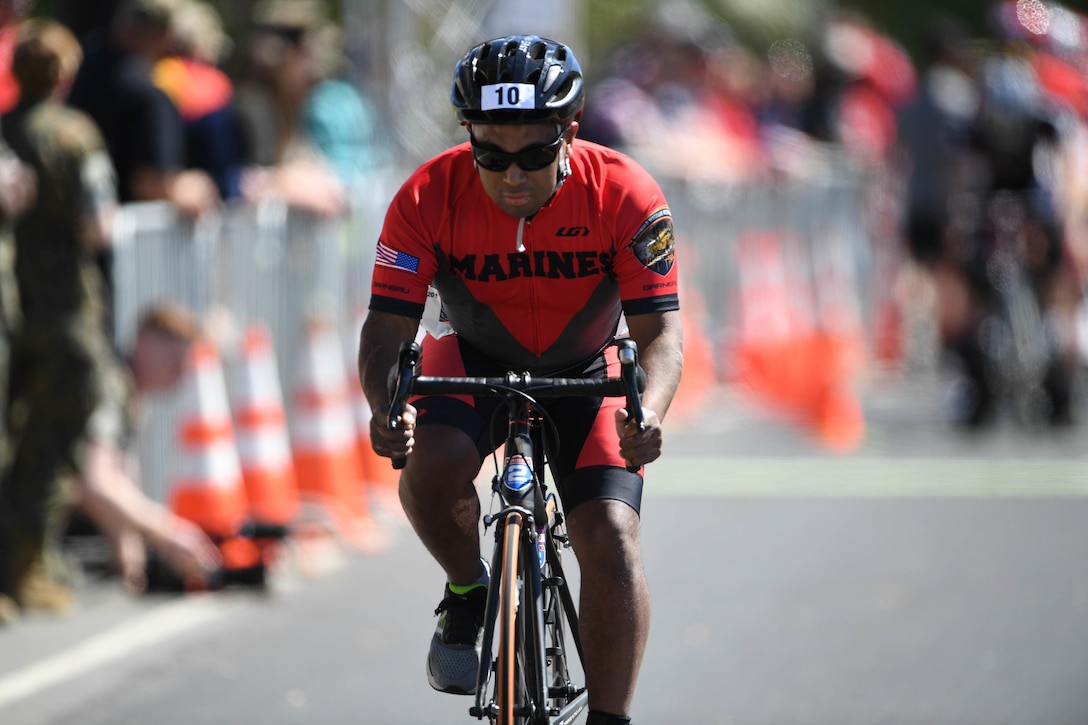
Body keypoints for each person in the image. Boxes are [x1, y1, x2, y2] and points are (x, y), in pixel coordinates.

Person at [358, 36, 683, 725]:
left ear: (570, 132)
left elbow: (661, 334)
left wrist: (647, 411)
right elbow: (386, 330)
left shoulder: (625, 192)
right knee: (429, 463)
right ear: (468, 137)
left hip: (586, 367)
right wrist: (386, 405)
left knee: (612, 535)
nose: (512, 177)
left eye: (534, 155)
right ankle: (469, 588)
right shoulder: (425, 194)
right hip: (474, 355)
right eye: (491, 155)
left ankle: (610, 716)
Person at [0, 18, 219, 623]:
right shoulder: (73, 135)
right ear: (65, 75)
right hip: (66, 307)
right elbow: (100, 223)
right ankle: (25, 566)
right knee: (54, 443)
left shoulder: (6, 130)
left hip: (12, 307)